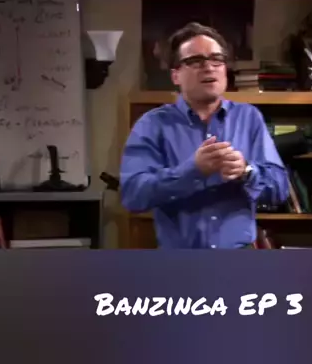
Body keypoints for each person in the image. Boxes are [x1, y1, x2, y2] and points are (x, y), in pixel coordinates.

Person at [119, 22, 289, 249]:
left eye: (217, 59)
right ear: (176, 75)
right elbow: (133, 196)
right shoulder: (152, 125)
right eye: (195, 61)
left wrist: (246, 171)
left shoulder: (249, 118)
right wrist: (193, 171)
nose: (209, 67)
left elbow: (279, 189)